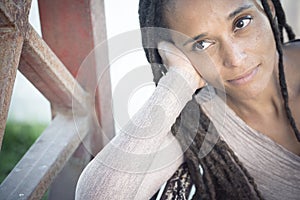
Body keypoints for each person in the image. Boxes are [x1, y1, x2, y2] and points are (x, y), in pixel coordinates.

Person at [75, 0, 300, 199]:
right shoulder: (198, 128)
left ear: (268, 8)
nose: (235, 59)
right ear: (178, 54)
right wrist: (178, 80)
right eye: (201, 44)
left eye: (242, 23)